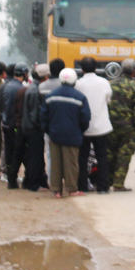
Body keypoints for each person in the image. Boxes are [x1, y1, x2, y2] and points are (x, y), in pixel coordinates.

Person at [41, 68, 90, 198]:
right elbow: (85, 118)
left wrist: (50, 131)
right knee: (71, 164)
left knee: (55, 163)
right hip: (72, 135)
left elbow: (43, 117)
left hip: (55, 134)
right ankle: (72, 189)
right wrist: (79, 131)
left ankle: (56, 190)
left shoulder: (50, 96)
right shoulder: (80, 97)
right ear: (74, 80)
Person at [74, 57, 113, 194]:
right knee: (102, 156)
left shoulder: (78, 84)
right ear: (96, 68)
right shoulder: (104, 82)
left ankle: (82, 186)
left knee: (83, 158)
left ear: (82, 69)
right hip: (101, 126)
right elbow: (108, 99)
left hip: (84, 127)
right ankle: (103, 187)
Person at [108, 59, 135, 192]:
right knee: (124, 156)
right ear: (134, 71)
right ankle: (118, 184)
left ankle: (107, 181)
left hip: (111, 126)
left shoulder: (111, 84)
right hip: (128, 128)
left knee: (110, 154)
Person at [21, 64, 51, 192]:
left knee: (36, 157)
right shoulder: (35, 91)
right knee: (35, 157)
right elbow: (35, 114)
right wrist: (42, 126)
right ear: (44, 77)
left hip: (29, 126)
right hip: (33, 128)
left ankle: (37, 181)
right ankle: (33, 184)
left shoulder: (33, 87)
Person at [2, 63, 28, 189]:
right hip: (15, 125)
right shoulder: (20, 89)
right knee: (19, 152)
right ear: (24, 74)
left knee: (9, 152)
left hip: (6, 123)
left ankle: (10, 179)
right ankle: (15, 179)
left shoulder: (7, 86)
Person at [39, 59, 65, 179]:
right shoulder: (65, 86)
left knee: (50, 154)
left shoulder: (42, 86)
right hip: (65, 125)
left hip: (50, 125)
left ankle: (52, 180)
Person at [11, 65, 30, 189]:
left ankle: (12, 181)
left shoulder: (19, 91)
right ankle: (28, 180)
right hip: (28, 127)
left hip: (18, 125)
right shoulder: (28, 91)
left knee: (17, 154)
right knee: (30, 154)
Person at [0, 64, 16, 180]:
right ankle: (8, 171)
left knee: (5, 147)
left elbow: (0, 104)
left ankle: (5, 171)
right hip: (14, 122)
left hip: (4, 120)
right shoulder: (16, 86)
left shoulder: (2, 87)